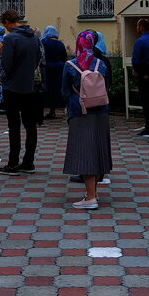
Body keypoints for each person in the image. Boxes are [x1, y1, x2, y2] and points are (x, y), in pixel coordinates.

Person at [62, 31, 112, 209]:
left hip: (79, 111)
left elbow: (65, 91)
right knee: (98, 150)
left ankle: (90, 197)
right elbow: (106, 86)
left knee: (84, 152)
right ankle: (94, 191)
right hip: (101, 111)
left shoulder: (70, 65)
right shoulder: (101, 63)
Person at [0, 9, 43, 176]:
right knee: (30, 126)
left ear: (8, 22)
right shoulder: (34, 37)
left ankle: (12, 163)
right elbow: (39, 57)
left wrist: (2, 53)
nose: (6, 28)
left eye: (5, 25)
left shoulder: (10, 38)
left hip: (13, 87)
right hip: (30, 86)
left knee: (14, 126)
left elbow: (7, 66)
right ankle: (29, 162)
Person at [41, 26, 67, 120]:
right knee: (57, 88)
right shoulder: (60, 44)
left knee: (47, 89)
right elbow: (64, 57)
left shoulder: (44, 42)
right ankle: (53, 110)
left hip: (47, 68)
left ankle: (44, 112)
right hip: (59, 68)